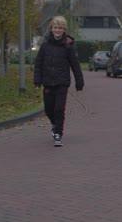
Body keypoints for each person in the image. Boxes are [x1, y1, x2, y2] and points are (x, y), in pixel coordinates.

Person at [34, 16, 84, 147]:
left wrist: (79, 82)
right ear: (51, 29)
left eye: (60, 28)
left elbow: (75, 65)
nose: (57, 30)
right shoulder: (45, 46)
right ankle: (54, 124)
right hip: (48, 82)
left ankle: (58, 134)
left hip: (62, 83)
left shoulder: (68, 46)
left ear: (64, 29)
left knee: (59, 109)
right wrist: (37, 81)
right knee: (48, 109)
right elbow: (38, 64)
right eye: (55, 27)